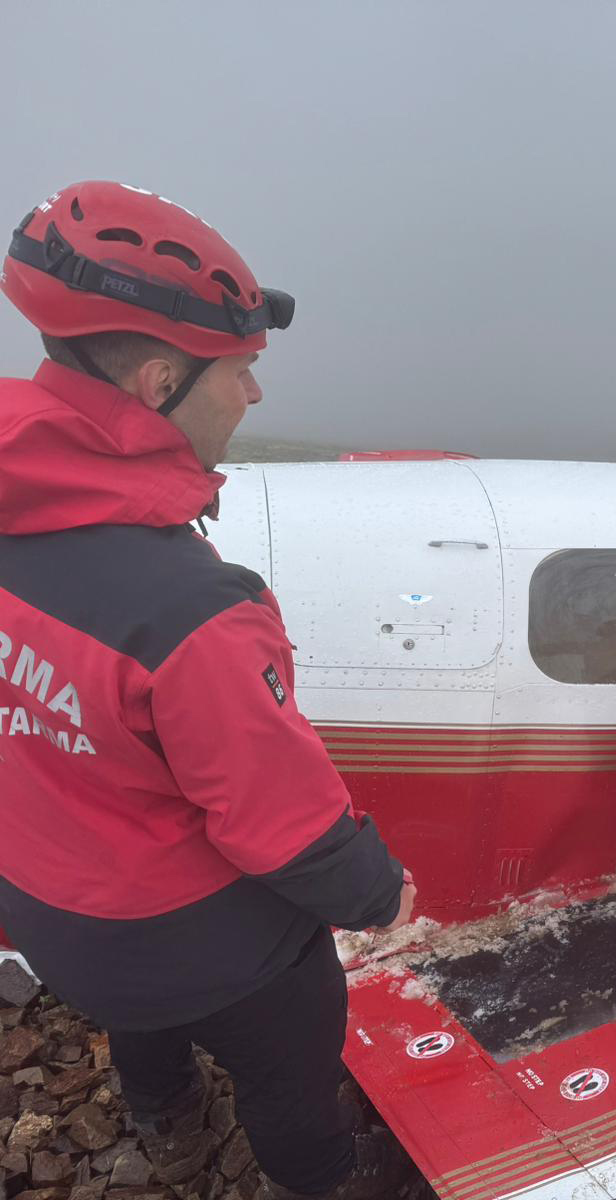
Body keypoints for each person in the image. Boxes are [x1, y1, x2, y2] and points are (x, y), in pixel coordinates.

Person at [0, 181, 413, 1200]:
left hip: (52, 915)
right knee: (291, 1078)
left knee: (144, 1018)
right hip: (194, 943)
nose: (255, 398)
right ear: (156, 381)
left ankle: (161, 1121)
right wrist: (380, 892)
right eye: (242, 372)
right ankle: (315, 1183)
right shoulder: (190, 610)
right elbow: (282, 826)